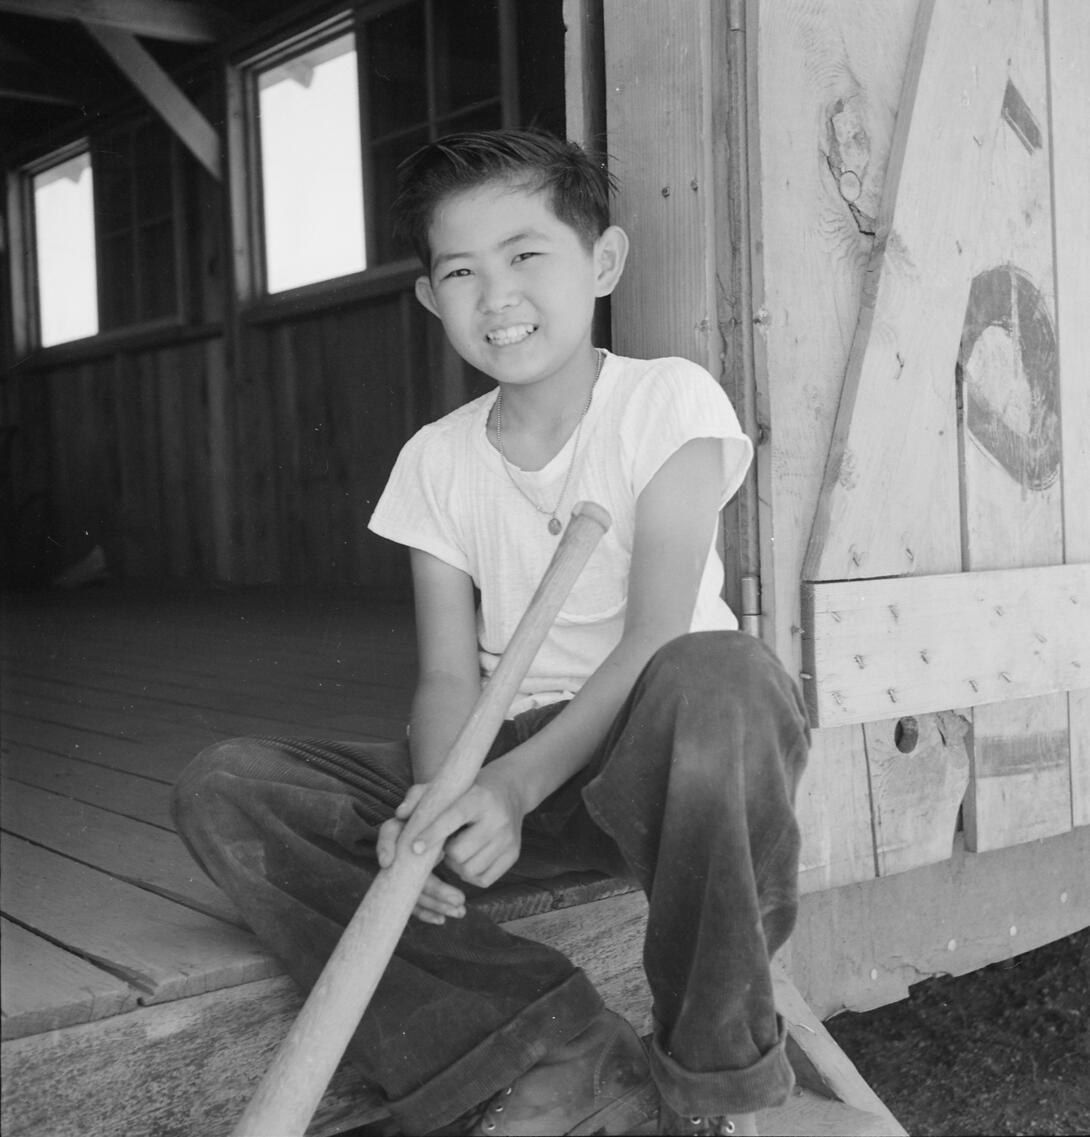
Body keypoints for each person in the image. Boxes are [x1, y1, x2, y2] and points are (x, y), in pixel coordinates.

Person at [172, 129, 809, 1137]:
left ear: (600, 262)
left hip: (665, 758)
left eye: (526, 256)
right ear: (431, 298)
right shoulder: (435, 459)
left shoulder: (665, 400)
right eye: (460, 271)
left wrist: (509, 789)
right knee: (231, 786)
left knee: (720, 672)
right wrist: (442, 802)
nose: (496, 296)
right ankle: (551, 1043)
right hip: (510, 767)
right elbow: (442, 675)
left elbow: (652, 637)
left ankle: (719, 1093)